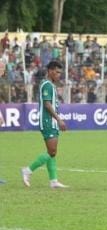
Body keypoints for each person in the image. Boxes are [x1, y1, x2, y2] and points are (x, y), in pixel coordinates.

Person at [21, 61, 68, 189]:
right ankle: (28, 170)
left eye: (60, 72)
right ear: (50, 71)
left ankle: (53, 181)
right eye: (57, 72)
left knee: (52, 152)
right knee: (52, 151)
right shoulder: (47, 85)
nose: (59, 75)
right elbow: (47, 104)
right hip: (48, 121)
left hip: (51, 121)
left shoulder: (50, 85)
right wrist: (59, 119)